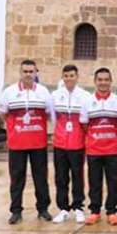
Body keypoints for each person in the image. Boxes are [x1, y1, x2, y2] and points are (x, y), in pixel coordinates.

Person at [0, 60, 54, 225]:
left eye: (31, 71)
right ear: (20, 73)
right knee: (16, 178)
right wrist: (15, 128)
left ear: (36, 73)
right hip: (17, 144)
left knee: (41, 177)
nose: (28, 74)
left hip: (38, 143)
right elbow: (3, 113)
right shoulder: (9, 92)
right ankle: (16, 211)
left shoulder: (44, 92)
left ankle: (43, 209)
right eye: (25, 71)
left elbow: (50, 115)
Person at [80, 68, 117, 225]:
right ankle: (94, 211)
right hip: (94, 149)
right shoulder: (87, 101)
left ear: (111, 82)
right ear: (95, 81)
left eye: (106, 80)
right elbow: (85, 124)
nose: (103, 83)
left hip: (112, 149)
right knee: (94, 182)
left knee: (113, 181)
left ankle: (112, 211)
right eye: (100, 80)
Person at [51, 65, 92, 224]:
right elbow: (54, 118)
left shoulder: (85, 96)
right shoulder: (55, 95)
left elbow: (86, 120)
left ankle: (78, 207)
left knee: (77, 176)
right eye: (66, 75)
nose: (69, 78)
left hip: (77, 143)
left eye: (72, 75)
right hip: (60, 143)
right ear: (63, 77)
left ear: (77, 76)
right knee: (61, 177)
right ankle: (63, 208)